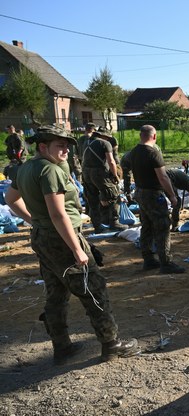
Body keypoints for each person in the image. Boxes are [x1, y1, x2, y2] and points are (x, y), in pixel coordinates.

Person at [5, 126, 139, 364]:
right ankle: (111, 344)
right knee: (93, 289)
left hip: (43, 237)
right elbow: (58, 215)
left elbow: (10, 200)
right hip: (62, 238)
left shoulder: (25, 168)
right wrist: (77, 249)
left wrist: (33, 220)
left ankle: (62, 347)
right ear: (43, 147)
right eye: (60, 145)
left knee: (56, 292)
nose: (65, 149)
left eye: (67, 145)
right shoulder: (49, 170)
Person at [125, 125, 185, 274]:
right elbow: (163, 177)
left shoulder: (133, 152)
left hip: (140, 192)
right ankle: (166, 262)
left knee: (147, 226)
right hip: (153, 194)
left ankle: (148, 259)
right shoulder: (153, 153)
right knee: (163, 226)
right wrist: (172, 195)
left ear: (140, 135)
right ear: (154, 136)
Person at [81, 125, 128, 233]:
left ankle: (97, 226)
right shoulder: (104, 143)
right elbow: (111, 161)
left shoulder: (86, 142)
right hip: (99, 173)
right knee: (114, 195)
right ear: (104, 136)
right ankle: (114, 223)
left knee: (93, 200)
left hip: (86, 173)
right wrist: (115, 175)